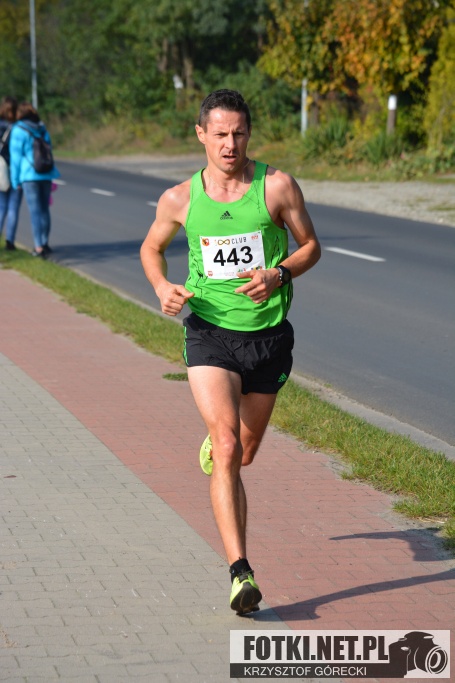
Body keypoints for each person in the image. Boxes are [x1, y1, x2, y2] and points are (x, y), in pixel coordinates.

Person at [140, 89, 321, 615]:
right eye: (219, 134)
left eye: (238, 133)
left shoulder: (277, 186)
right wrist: (161, 286)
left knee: (244, 451)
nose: (229, 144)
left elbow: (311, 246)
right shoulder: (179, 198)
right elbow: (151, 248)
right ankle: (241, 573)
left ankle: (224, 447)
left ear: (249, 134)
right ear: (201, 134)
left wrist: (278, 273)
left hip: (268, 337)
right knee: (226, 446)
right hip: (210, 332)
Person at [8, 102, 60, 257]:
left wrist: (15, 180)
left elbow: (16, 158)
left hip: (29, 175)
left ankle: (38, 247)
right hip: (46, 173)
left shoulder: (19, 130)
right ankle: (45, 242)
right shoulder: (42, 128)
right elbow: (49, 149)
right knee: (45, 210)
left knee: (35, 211)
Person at [0, 96, 23, 250]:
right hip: (15, 170)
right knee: (13, 207)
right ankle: (10, 242)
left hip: (0, 169)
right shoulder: (18, 127)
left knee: (1, 207)